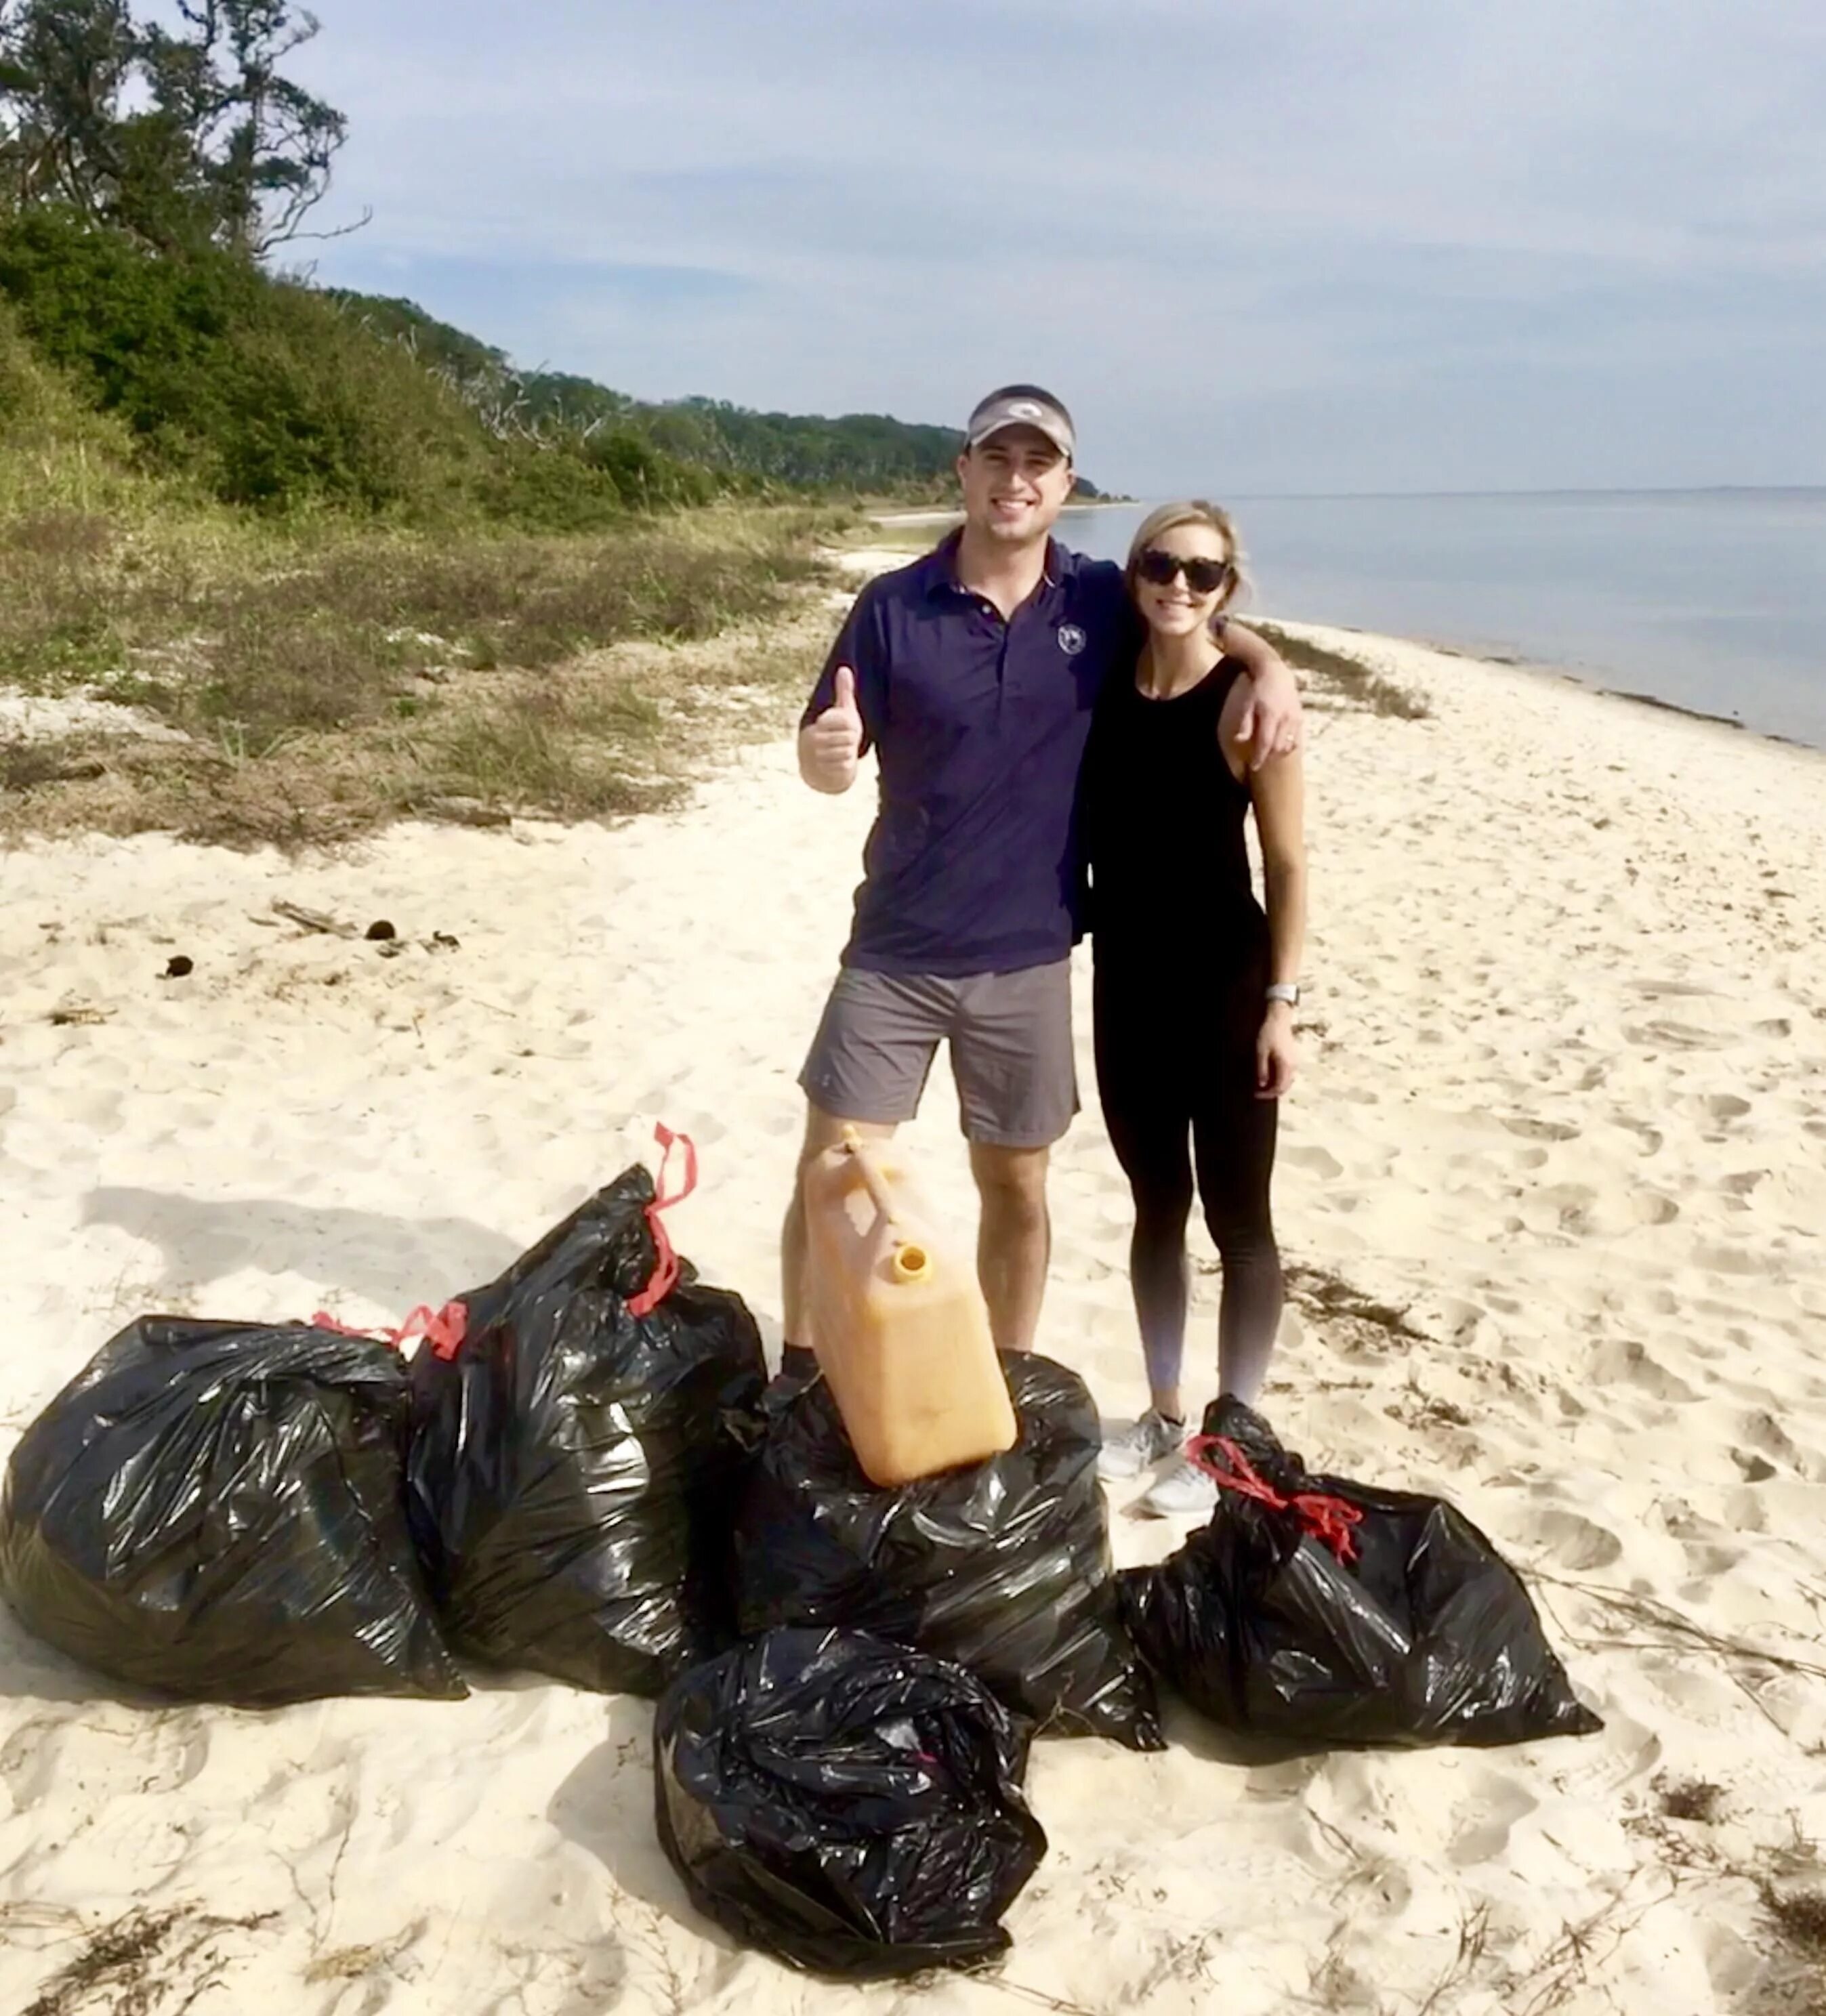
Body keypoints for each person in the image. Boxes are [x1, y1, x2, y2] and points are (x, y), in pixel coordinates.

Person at [781, 387, 1303, 1368]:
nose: (1016, 480)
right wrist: (829, 758)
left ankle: (1003, 1378)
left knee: (1017, 1191)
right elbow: (823, 759)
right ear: (964, 473)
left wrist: (1269, 664)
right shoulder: (891, 607)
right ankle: (797, 1372)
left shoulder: (1097, 599)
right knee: (834, 1175)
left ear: (1067, 485)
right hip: (894, 946)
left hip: (1028, 955)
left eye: (1039, 464)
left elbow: (1192, 610)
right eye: (997, 459)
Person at [1083, 501, 1306, 1517]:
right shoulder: (1106, 674)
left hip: (1225, 988)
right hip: (1127, 983)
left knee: (1241, 1221)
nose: (1181, 585)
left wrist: (1280, 1005)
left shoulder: (1247, 710)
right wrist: (1268, 651)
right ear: (1136, 574)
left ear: (1229, 588)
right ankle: (1165, 1415)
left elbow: (1292, 866)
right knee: (1155, 1207)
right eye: (1163, 565)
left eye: (1206, 574)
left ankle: (1233, 1436)